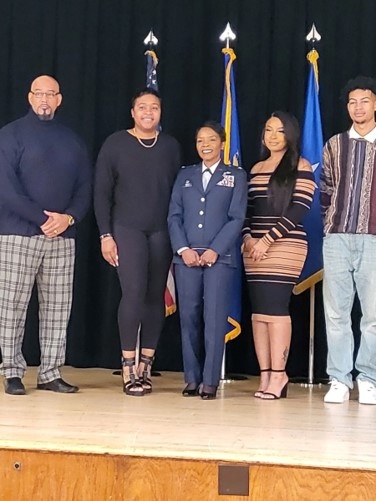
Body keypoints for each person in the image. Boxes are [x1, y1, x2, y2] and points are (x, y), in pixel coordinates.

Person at [0, 75, 91, 395]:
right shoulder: (10, 135)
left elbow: (84, 188)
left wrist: (69, 218)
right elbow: (6, 190)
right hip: (18, 235)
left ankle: (51, 372)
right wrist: (42, 220)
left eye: (50, 94)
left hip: (62, 238)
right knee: (11, 306)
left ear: (59, 99)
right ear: (29, 97)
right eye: (39, 93)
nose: (44, 99)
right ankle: (12, 371)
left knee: (58, 308)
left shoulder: (72, 140)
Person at [94, 88, 180, 396]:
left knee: (155, 297)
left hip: (161, 231)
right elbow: (101, 193)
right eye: (142, 107)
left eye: (154, 107)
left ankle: (146, 364)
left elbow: (177, 193)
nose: (148, 112)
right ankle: (128, 365)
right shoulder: (115, 143)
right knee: (132, 294)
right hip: (126, 229)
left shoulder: (170, 146)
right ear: (132, 112)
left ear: (160, 112)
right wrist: (106, 235)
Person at [168, 121, 247, 400]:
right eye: (200, 140)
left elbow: (237, 217)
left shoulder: (235, 176)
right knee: (188, 318)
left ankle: (210, 380)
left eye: (211, 139)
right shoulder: (185, 175)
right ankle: (191, 378)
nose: (205, 145)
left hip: (220, 258)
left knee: (214, 319)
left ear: (222, 143)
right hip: (186, 258)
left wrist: (215, 249)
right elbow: (174, 216)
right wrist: (182, 249)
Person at [243, 111, 315, 400]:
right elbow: (246, 210)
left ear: (291, 135)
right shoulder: (257, 167)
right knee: (259, 314)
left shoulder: (301, 165)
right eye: (268, 130)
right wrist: (248, 237)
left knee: (275, 311)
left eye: (279, 131)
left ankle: (279, 374)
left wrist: (267, 240)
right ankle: (265, 375)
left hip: (284, 246)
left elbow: (300, 209)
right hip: (253, 248)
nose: (272, 136)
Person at [321, 76, 376, 405]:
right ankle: (339, 378)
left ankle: (368, 377)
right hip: (338, 238)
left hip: (374, 239)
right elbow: (325, 190)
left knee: (373, 315)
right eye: (352, 101)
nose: (358, 106)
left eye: (365, 100)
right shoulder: (334, 144)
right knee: (337, 313)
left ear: (375, 104)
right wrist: (330, 224)